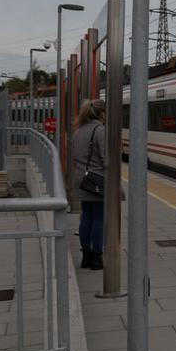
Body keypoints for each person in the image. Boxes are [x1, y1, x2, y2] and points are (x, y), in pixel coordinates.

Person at [70, 99, 108, 270]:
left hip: (82, 179)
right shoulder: (100, 131)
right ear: (102, 114)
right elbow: (106, 159)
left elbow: (73, 157)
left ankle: (86, 256)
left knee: (86, 217)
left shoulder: (78, 131)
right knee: (99, 218)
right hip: (97, 180)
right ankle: (97, 257)